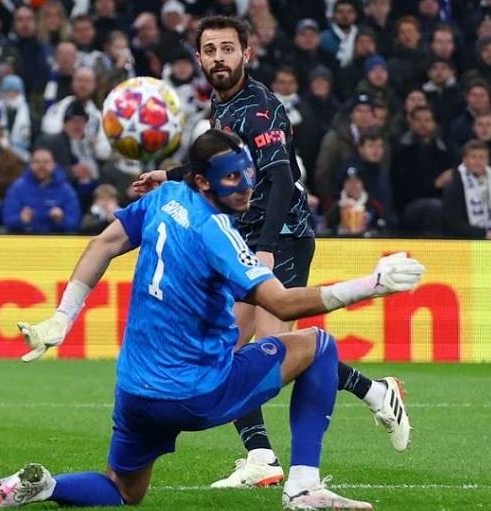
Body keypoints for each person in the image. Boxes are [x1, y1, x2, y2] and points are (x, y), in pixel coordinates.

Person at [0, 129, 425, 510]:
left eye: (247, 173)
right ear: (203, 182)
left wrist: (63, 316)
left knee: (124, 491)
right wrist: (373, 284)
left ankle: (45, 487)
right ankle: (304, 487)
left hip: (136, 388)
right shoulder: (216, 231)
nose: (246, 186)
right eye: (232, 179)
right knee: (317, 347)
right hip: (196, 392)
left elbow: (103, 243)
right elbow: (281, 304)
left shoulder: (164, 198)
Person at [132, 15, 412, 489]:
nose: (219, 57)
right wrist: (171, 176)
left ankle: (374, 392)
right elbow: (219, 168)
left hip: (278, 238)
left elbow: (281, 178)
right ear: (199, 57)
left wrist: (263, 251)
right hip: (243, 238)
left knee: (271, 353)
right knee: (231, 352)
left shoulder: (259, 107)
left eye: (227, 48)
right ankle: (262, 455)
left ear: (247, 53)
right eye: (210, 50)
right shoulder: (224, 109)